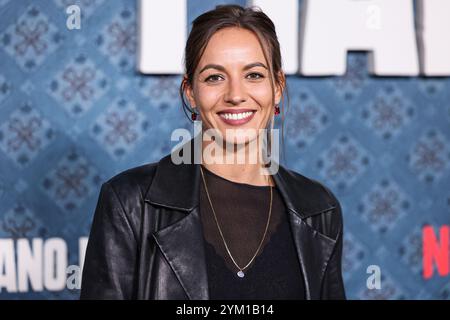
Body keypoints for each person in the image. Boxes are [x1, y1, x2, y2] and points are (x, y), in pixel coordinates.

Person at [80, 4, 346, 300]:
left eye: (254, 75)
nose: (235, 95)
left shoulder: (319, 209)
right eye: (214, 77)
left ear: (278, 86)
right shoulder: (129, 202)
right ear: (191, 92)